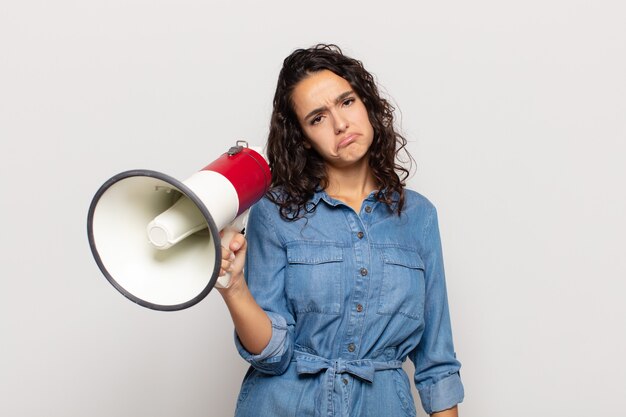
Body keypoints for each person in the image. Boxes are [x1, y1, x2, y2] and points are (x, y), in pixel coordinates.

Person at [217, 44, 464, 417]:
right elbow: (272, 355)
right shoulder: (274, 211)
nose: (340, 124)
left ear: (366, 103)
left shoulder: (419, 217)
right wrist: (234, 288)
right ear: (302, 137)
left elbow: (437, 363)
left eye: (346, 102)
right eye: (317, 118)